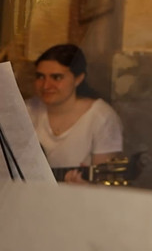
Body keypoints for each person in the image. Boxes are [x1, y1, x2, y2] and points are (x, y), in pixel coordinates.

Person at [26, 44, 123, 183]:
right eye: (40, 77)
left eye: (57, 77)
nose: (46, 86)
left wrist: (86, 189)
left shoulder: (102, 117)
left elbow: (104, 185)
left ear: (78, 79)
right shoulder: (26, 110)